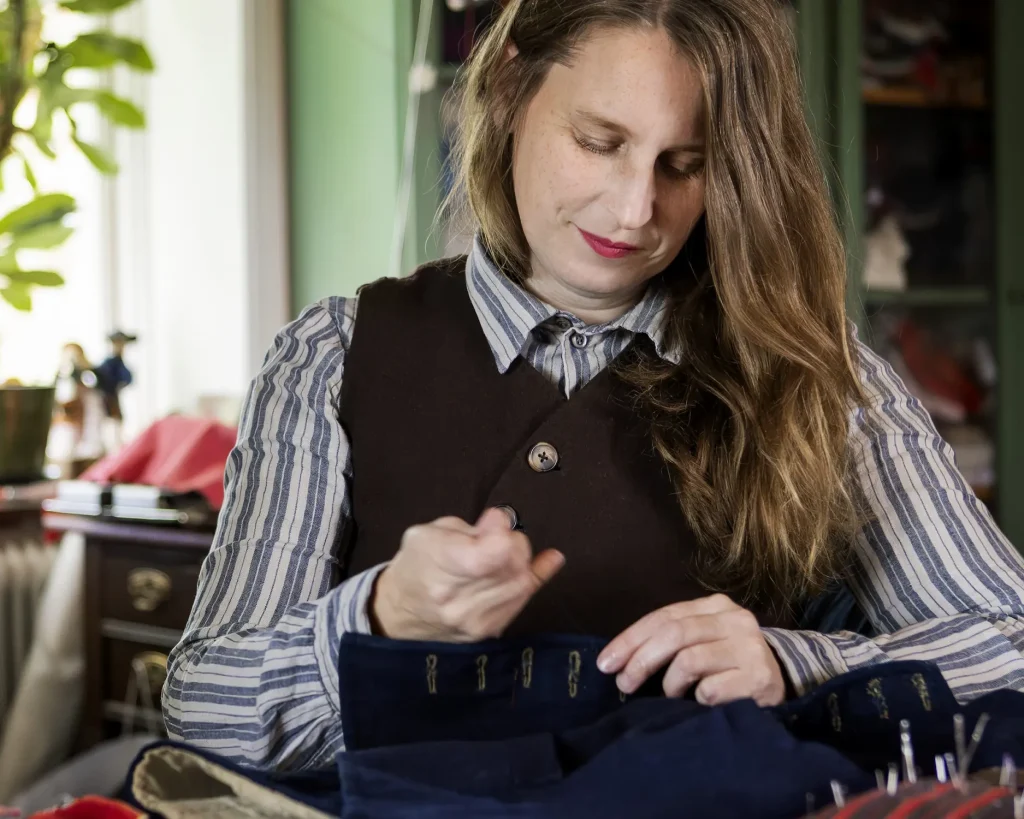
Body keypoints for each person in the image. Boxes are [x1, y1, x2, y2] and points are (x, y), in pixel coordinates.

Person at [164, 0, 1024, 772]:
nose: (635, 208)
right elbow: (203, 709)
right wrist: (383, 618)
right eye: (599, 142)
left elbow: (1012, 641)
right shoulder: (332, 356)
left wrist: (796, 662)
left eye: (684, 163)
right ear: (510, 88)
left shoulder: (821, 379)